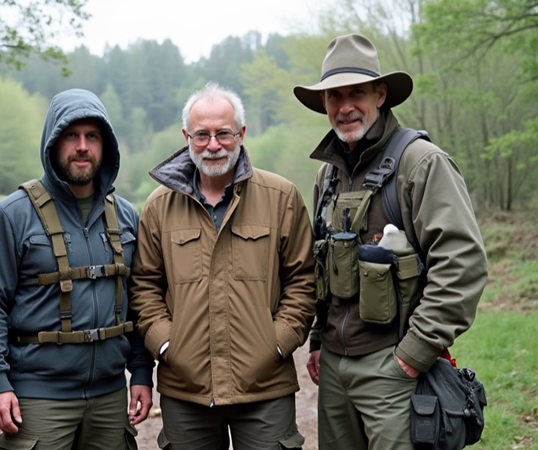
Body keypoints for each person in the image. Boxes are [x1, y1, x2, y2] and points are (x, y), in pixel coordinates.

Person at [293, 33, 488, 449]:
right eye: (334, 95)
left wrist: (412, 355)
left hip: (394, 367)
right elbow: (322, 267)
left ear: (380, 95)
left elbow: (462, 264)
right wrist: (318, 340)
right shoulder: (327, 176)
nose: (345, 106)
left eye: (356, 93)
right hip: (334, 370)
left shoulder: (421, 163)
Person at [129, 81, 316, 450]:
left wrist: (276, 344)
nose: (213, 145)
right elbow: (144, 286)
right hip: (186, 391)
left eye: (223, 133)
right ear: (186, 137)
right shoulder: (159, 206)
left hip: (265, 388)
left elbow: (303, 281)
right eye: (202, 135)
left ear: (241, 134)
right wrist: (167, 346)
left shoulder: (282, 198)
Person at [0, 88, 154, 450]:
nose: (82, 146)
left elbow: (137, 302)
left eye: (92, 136)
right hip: (38, 398)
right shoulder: (13, 215)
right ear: (53, 143)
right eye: (71, 135)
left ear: (106, 145)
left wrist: (142, 373)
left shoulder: (126, 216)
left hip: (110, 397)